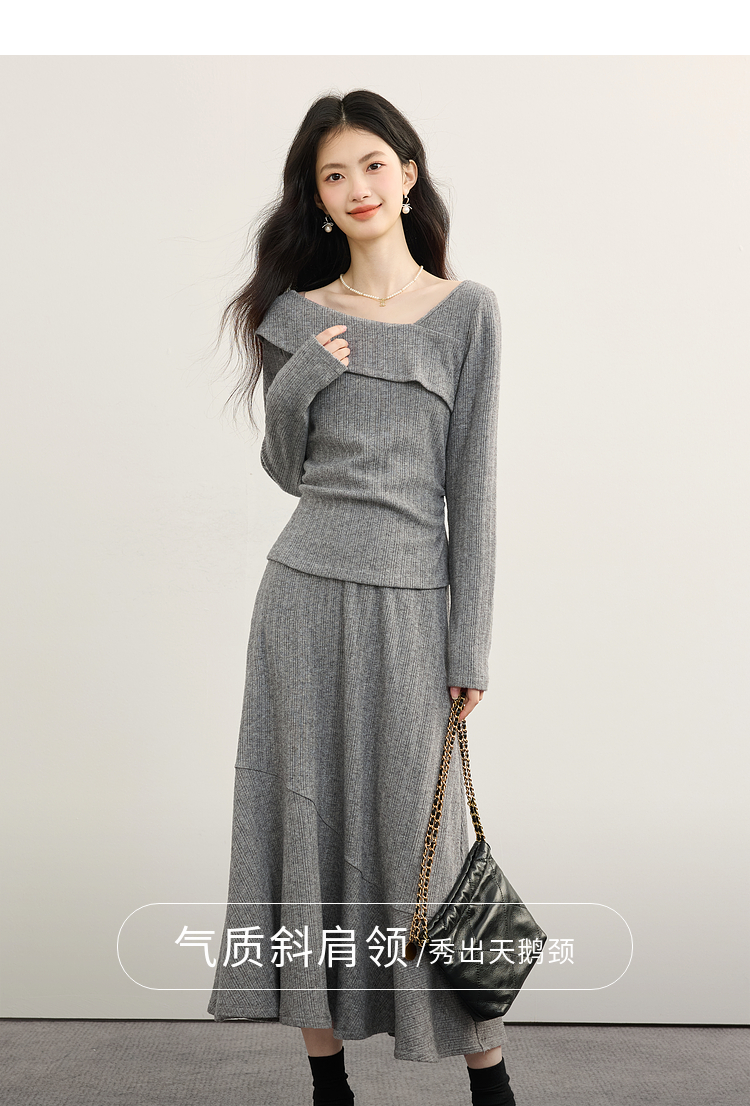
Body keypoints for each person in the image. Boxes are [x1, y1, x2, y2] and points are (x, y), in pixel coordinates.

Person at [207, 89, 514, 1106]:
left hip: (413, 607)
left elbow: (473, 487)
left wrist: (469, 644)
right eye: (333, 175)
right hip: (300, 599)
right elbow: (287, 471)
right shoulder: (295, 317)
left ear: (408, 174)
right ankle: (325, 1080)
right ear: (318, 198)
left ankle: (489, 1076)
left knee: (427, 842)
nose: (357, 188)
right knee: (299, 816)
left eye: (373, 166)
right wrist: (297, 381)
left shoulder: (469, 312)